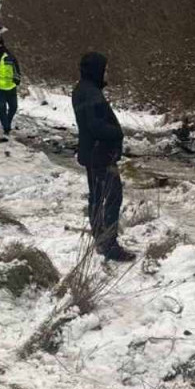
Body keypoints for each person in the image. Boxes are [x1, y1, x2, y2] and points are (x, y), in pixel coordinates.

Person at [72, 52, 135, 262]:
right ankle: (108, 244)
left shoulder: (86, 90)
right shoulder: (90, 93)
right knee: (111, 196)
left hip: (95, 153)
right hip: (100, 155)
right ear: (96, 70)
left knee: (98, 196)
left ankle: (101, 239)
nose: (108, 73)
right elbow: (95, 126)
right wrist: (117, 132)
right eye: (105, 69)